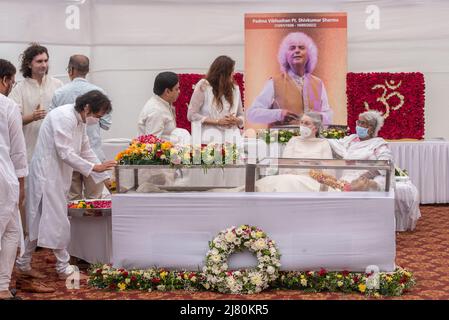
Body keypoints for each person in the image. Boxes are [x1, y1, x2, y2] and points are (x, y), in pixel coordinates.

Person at [15, 90, 116, 288]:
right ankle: (64, 268)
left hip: (57, 176)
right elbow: (65, 152)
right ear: (87, 108)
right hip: (47, 175)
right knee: (57, 220)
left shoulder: (80, 121)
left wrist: (106, 178)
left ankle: (23, 263)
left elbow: (86, 150)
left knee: (38, 220)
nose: (98, 120)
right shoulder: (64, 116)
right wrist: (94, 168)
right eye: (98, 116)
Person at [49, 55, 112, 200]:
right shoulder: (100, 93)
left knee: (72, 203)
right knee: (95, 203)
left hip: (75, 160)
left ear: (70, 70)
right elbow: (106, 124)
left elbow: (51, 122)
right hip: (83, 154)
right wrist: (95, 167)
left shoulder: (59, 93)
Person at [247, 32, 333, 127]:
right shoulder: (274, 82)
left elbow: (328, 115)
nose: (297, 51)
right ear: (285, 56)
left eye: (301, 47)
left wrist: (318, 117)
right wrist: (278, 114)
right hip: (283, 140)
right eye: (292, 48)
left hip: (312, 140)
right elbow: (252, 114)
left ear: (309, 54)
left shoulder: (318, 83)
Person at [0, 59, 28, 300]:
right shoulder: (8, 106)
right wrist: (21, 184)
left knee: (9, 229)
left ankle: (2, 287)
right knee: (10, 231)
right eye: (11, 81)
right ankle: (1, 287)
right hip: (3, 175)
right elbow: (18, 151)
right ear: (4, 80)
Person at [9, 43, 63, 163]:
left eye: (46, 61)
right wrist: (32, 117)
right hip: (29, 152)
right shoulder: (19, 89)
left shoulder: (57, 85)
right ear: (29, 64)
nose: (44, 65)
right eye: (39, 61)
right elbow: (12, 121)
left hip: (53, 152)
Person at [328, 110, 393, 191]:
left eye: (362, 123)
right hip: (345, 180)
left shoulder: (378, 144)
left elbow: (383, 166)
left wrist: (360, 180)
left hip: (364, 183)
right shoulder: (351, 139)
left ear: (371, 127)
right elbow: (335, 144)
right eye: (358, 122)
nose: (358, 125)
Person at [187, 55, 244, 145]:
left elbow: (241, 115)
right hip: (209, 139)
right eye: (231, 71)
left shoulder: (235, 89)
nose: (233, 74)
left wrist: (236, 120)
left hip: (232, 139)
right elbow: (191, 115)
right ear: (222, 73)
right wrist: (217, 121)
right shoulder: (204, 85)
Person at [137, 71, 180, 141]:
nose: (179, 91)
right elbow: (152, 145)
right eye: (176, 89)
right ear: (167, 92)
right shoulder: (156, 111)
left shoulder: (162, 103)